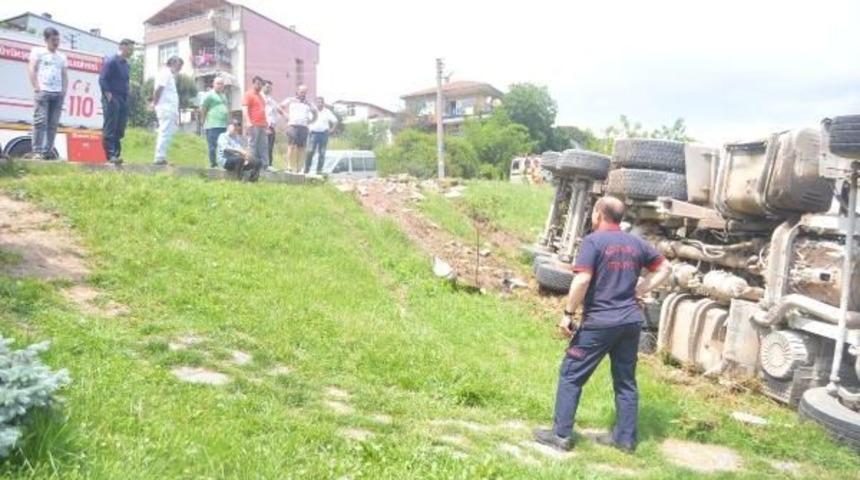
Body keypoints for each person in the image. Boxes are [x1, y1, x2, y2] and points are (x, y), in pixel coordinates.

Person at [533, 196, 670, 453]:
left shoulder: (592, 242)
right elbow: (665, 268)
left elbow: (582, 280)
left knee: (571, 374)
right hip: (631, 322)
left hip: (600, 322)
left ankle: (561, 435)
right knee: (625, 381)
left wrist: (567, 313)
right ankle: (625, 439)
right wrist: (642, 288)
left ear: (598, 213)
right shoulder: (636, 242)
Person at [27, 27, 67, 160]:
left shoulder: (61, 56)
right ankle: (37, 151)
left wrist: (63, 91)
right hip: (43, 91)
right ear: (46, 40)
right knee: (40, 122)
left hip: (57, 93)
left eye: (57, 40)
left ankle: (48, 151)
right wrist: (37, 87)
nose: (56, 42)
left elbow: (64, 75)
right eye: (53, 40)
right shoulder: (38, 52)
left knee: (53, 124)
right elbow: (31, 68)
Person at [99, 38, 134, 164]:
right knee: (110, 127)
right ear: (122, 47)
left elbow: (125, 81)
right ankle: (111, 155)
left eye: (132, 49)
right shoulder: (111, 61)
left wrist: (128, 92)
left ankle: (117, 155)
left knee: (120, 128)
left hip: (123, 99)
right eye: (130, 49)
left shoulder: (126, 65)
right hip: (112, 98)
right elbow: (103, 79)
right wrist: (109, 96)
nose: (132, 52)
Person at [151, 56, 183, 165]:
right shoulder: (165, 73)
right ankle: (159, 157)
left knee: (167, 132)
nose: (179, 69)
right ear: (173, 63)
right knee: (164, 132)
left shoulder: (169, 75)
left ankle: (161, 156)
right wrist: (154, 103)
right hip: (165, 108)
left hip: (169, 108)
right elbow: (159, 89)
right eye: (179, 66)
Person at [280, 85, 316, 173]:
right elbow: (279, 107)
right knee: (291, 146)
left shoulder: (308, 103)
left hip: (303, 127)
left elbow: (315, 113)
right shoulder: (291, 100)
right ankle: (289, 166)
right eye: (301, 92)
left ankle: (299, 168)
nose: (303, 94)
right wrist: (285, 116)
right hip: (293, 126)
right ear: (298, 91)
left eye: (305, 92)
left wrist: (311, 121)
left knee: (301, 148)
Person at [200, 76, 229, 168]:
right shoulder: (209, 95)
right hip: (212, 124)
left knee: (224, 146)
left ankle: (223, 163)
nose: (220, 85)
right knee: (213, 146)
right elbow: (203, 108)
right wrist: (203, 121)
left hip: (223, 125)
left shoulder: (224, 96)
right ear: (213, 84)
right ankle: (213, 164)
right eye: (218, 83)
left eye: (222, 84)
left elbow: (226, 109)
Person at [305, 96, 338, 174]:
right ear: (315, 103)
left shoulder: (327, 111)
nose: (319, 104)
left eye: (321, 102)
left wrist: (332, 130)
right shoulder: (312, 111)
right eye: (318, 102)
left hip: (324, 134)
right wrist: (307, 128)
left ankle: (319, 171)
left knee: (322, 153)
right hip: (313, 134)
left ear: (323, 103)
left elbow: (335, 121)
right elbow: (307, 120)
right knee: (310, 151)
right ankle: (307, 170)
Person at [242, 76, 268, 172]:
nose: (259, 86)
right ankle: (251, 164)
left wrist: (266, 124)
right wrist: (248, 122)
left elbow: (262, 111)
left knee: (263, 146)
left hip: (262, 125)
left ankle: (264, 165)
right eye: (257, 83)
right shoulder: (248, 94)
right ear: (253, 84)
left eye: (261, 84)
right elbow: (245, 108)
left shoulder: (261, 96)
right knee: (252, 145)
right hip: (253, 124)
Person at [262, 80, 282, 170]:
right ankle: (260, 165)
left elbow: (277, 112)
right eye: (267, 86)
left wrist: (274, 124)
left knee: (270, 147)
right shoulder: (259, 98)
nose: (268, 88)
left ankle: (269, 165)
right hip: (261, 126)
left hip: (271, 127)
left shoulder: (272, 100)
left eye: (270, 87)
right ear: (263, 87)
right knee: (261, 147)